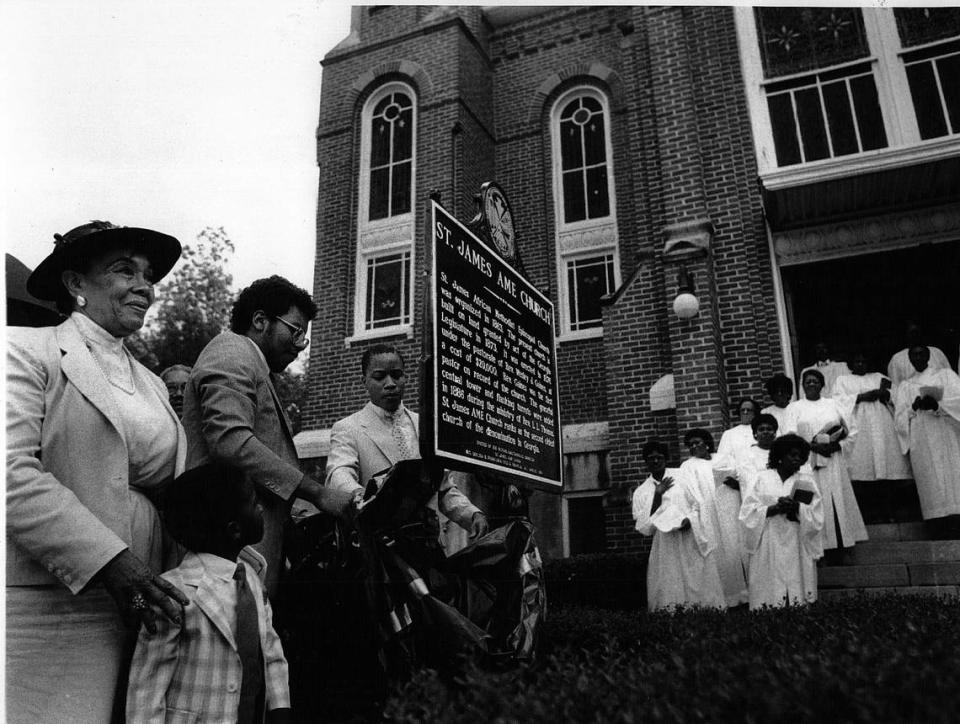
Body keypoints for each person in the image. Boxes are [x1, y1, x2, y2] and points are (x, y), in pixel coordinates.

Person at [7, 220, 190, 721]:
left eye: (148, 274)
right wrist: (110, 560)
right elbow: (11, 474)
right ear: (75, 284)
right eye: (123, 270)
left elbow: (172, 489)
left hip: (140, 602)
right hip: (49, 603)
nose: (143, 286)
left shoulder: (153, 383)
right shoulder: (24, 350)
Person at [183, 276, 355, 598]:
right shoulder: (231, 350)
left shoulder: (254, 366)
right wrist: (318, 493)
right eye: (295, 330)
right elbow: (230, 442)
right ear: (260, 320)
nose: (301, 345)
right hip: (226, 558)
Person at [127, 462, 290, 723]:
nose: (260, 508)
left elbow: (270, 649)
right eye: (253, 502)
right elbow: (148, 684)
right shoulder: (175, 592)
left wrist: (280, 709)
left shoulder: (251, 578)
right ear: (234, 529)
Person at [326, 343, 489, 550]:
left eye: (396, 375)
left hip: (426, 546)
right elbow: (339, 473)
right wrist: (364, 500)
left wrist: (472, 514)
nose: (390, 383)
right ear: (364, 381)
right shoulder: (348, 428)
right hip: (380, 549)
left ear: (406, 377)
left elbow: (443, 488)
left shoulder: (426, 427)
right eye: (379, 377)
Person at [632, 441, 725, 611]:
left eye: (659, 457)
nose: (655, 461)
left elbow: (698, 504)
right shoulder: (642, 491)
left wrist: (690, 520)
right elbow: (644, 527)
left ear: (666, 459)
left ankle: (708, 616)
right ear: (645, 461)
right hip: (666, 545)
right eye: (650, 458)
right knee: (670, 582)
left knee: (698, 579)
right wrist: (657, 495)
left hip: (690, 537)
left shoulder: (682, 476)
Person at [783, 369, 868, 553]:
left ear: (822, 385)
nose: (811, 384)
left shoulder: (834, 404)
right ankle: (815, 548)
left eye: (815, 381)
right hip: (806, 462)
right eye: (808, 381)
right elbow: (789, 435)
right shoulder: (794, 407)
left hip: (832, 460)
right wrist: (812, 447)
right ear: (803, 385)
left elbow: (851, 431)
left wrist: (836, 447)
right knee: (810, 501)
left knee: (836, 497)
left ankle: (841, 545)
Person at [739, 434, 823, 610]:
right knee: (769, 591)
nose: (797, 459)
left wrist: (797, 508)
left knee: (796, 588)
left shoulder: (806, 481)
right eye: (792, 455)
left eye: (800, 456)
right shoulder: (761, 479)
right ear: (780, 455)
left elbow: (817, 516)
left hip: (796, 540)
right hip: (769, 540)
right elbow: (747, 513)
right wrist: (774, 508)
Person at [832, 351, 912, 522]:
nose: (860, 364)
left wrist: (886, 395)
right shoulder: (843, 380)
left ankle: (889, 513)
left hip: (882, 426)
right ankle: (868, 515)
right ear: (851, 364)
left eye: (863, 360)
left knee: (886, 466)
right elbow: (837, 402)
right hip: (859, 427)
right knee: (862, 468)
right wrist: (861, 397)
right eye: (857, 360)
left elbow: (897, 396)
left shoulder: (879, 377)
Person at [893, 345, 960, 536]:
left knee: (952, 477)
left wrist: (938, 405)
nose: (918, 358)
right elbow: (899, 419)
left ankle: (957, 521)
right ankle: (936, 525)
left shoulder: (946, 376)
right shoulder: (906, 385)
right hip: (921, 438)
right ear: (910, 359)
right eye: (914, 355)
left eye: (922, 354)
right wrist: (913, 408)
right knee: (929, 480)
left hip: (946, 433)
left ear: (929, 355)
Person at [679, 429, 748, 607]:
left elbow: (741, 479)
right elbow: (691, 492)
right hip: (708, 512)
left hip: (729, 508)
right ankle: (723, 599)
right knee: (716, 554)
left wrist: (736, 484)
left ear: (707, 443)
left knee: (734, 549)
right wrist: (703, 510)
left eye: (698, 442)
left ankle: (743, 595)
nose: (694, 447)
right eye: (691, 445)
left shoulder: (723, 458)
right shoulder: (688, 466)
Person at [887, 322, 951, 390]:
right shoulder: (897, 359)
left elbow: (949, 379)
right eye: (912, 333)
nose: (915, 335)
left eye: (917, 332)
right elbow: (895, 387)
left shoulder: (937, 352)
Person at [735, 413, 779, 486]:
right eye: (761, 429)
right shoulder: (746, 454)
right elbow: (749, 479)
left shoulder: (782, 452)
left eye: (769, 429)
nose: (765, 432)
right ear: (755, 433)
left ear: (774, 433)